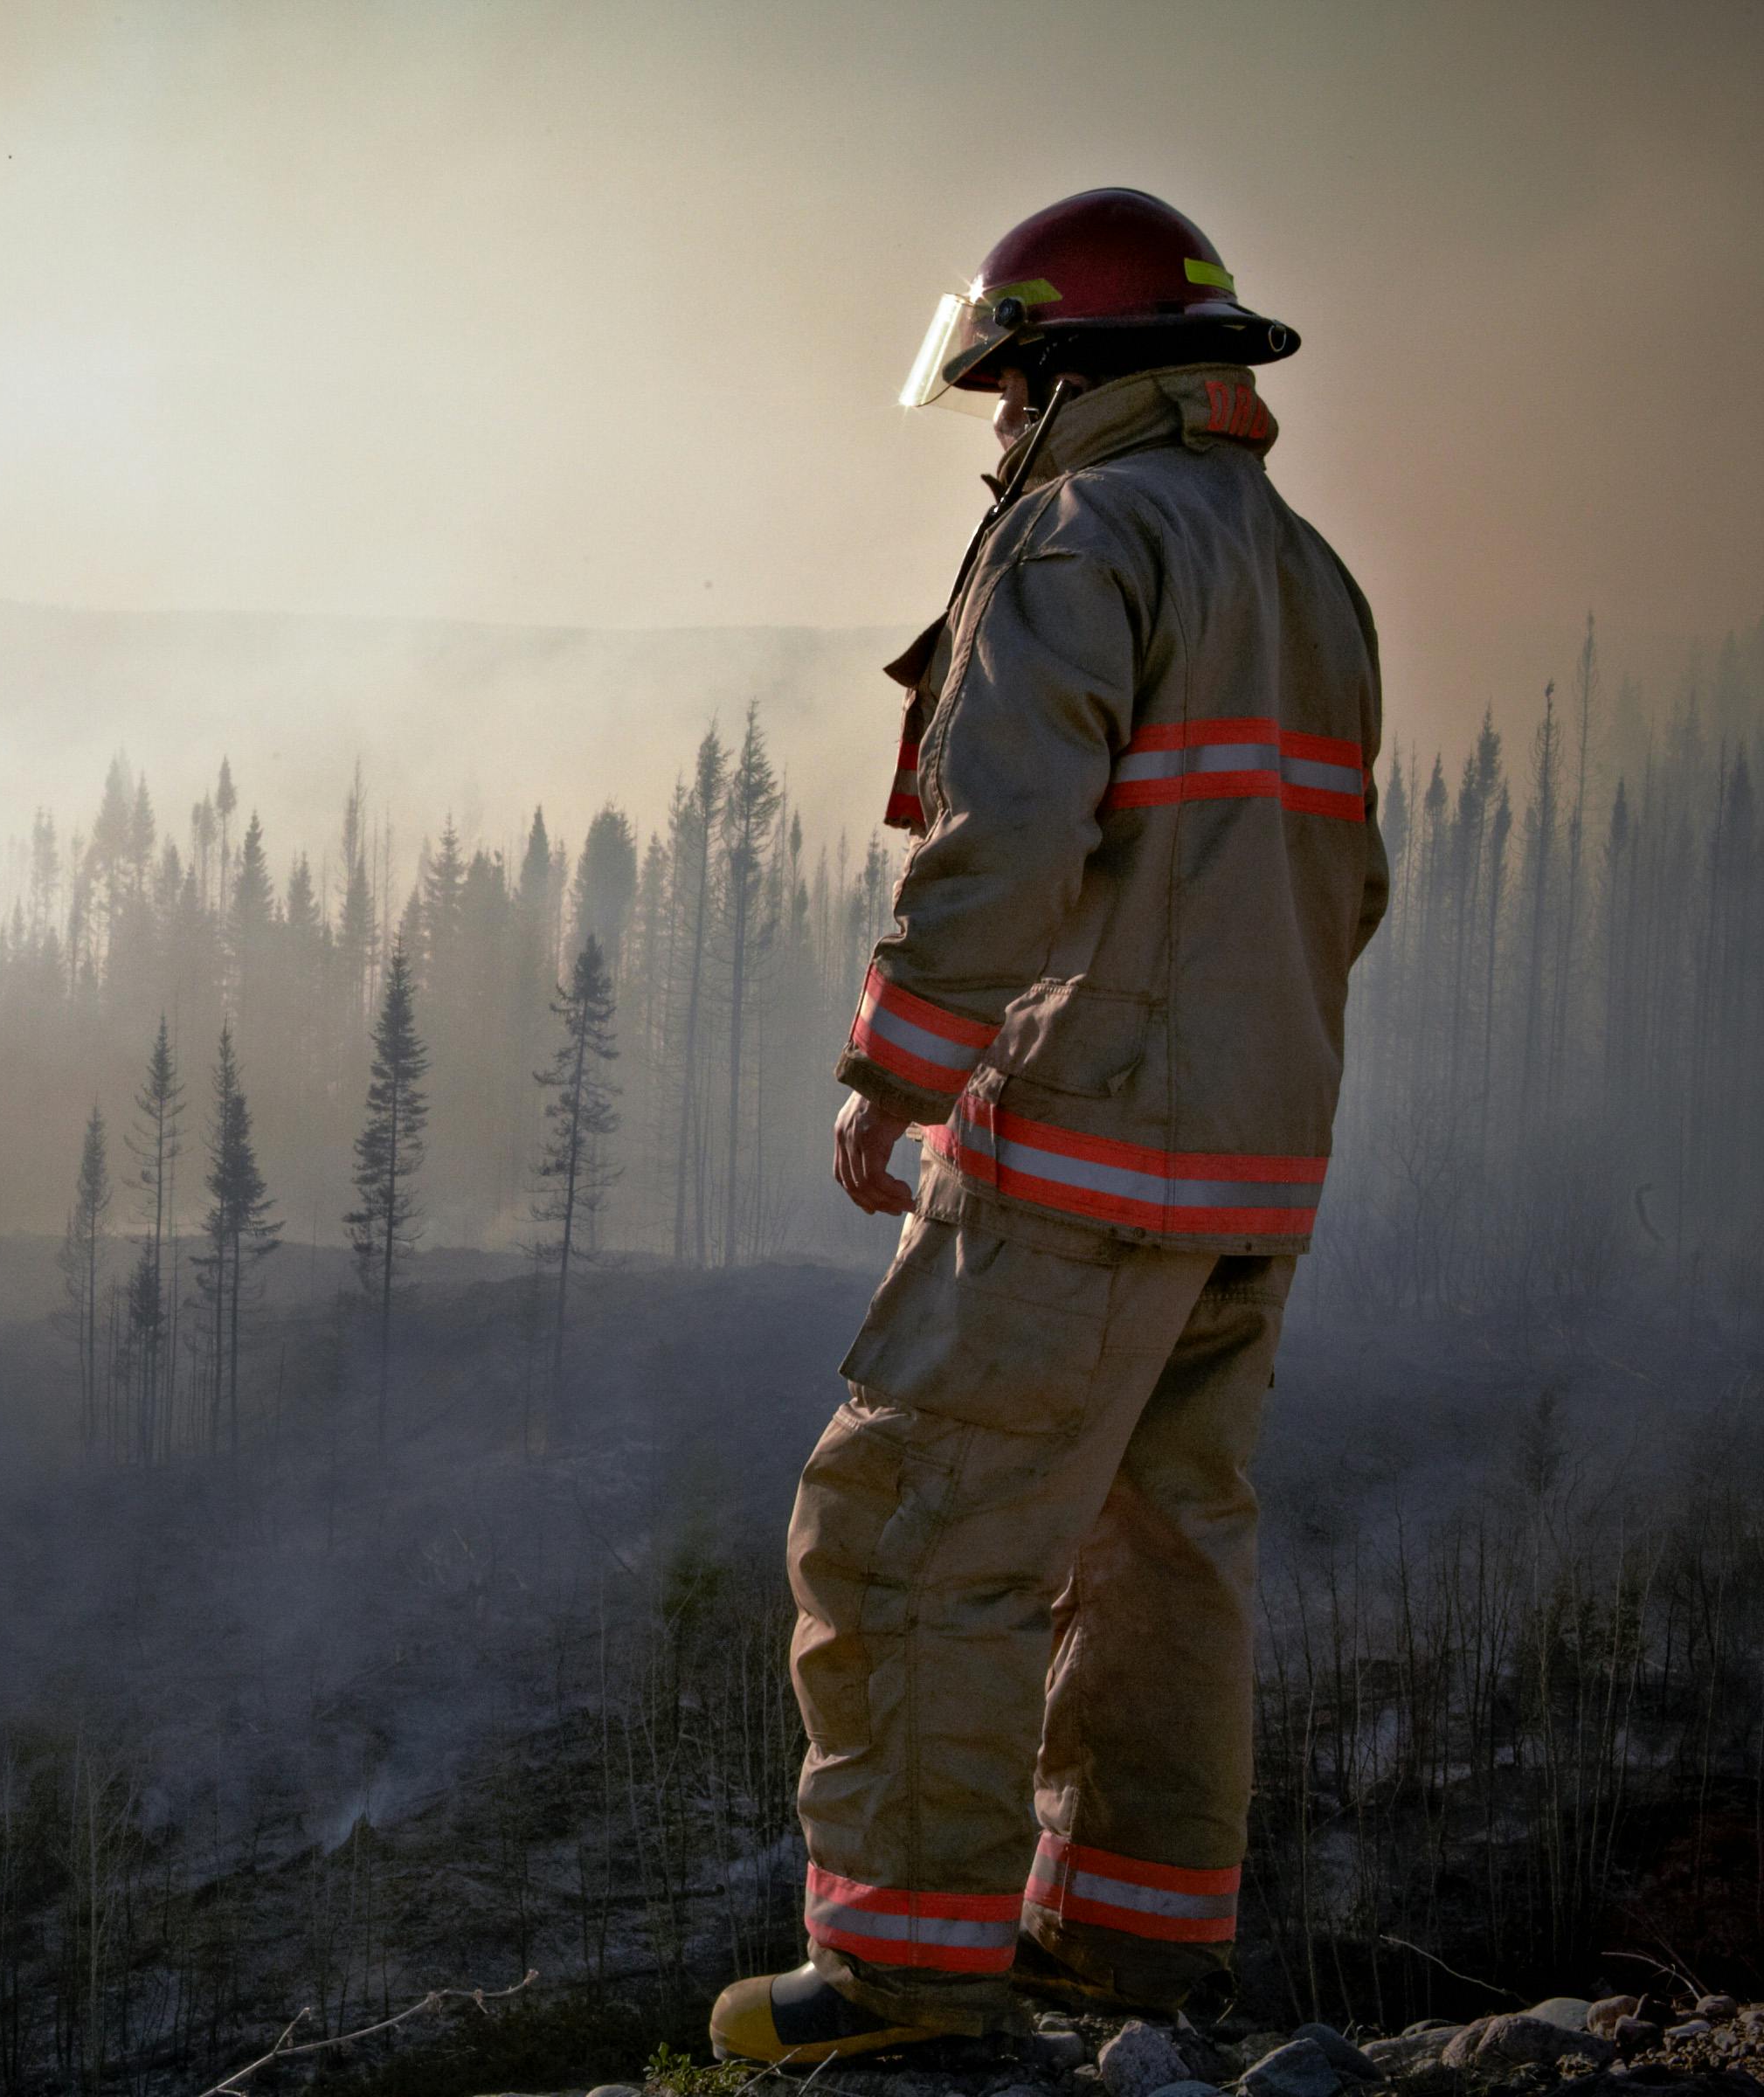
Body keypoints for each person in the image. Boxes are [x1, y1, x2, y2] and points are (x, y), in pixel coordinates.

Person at [711, 188, 1389, 2063]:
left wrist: (894, 1076)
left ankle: (907, 1985)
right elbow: (1349, 882)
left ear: (1077, 373)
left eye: (1011, 389)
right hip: (1257, 1166)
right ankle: (1127, 1951)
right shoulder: (1306, 570)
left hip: (1089, 1153)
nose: (999, 431)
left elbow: (1006, 842)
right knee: (1165, 1553)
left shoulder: (1080, 539)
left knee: (906, 1530)